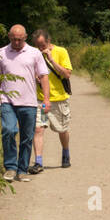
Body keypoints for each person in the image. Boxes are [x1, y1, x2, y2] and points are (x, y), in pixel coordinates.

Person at [0, 25, 49, 183]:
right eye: (13, 39)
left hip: (29, 101)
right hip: (7, 101)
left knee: (27, 137)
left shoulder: (34, 53)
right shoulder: (0, 53)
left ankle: (22, 169)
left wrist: (46, 100)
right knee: (9, 130)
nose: (16, 42)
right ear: (9, 37)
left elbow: (43, 76)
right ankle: (10, 167)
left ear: (25, 37)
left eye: (20, 39)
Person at [29, 29, 73, 172]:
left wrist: (51, 59)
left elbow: (67, 74)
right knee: (38, 129)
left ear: (48, 41)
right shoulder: (34, 54)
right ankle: (38, 162)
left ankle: (66, 153)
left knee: (62, 129)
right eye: (37, 45)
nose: (40, 48)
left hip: (59, 99)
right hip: (41, 100)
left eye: (42, 44)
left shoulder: (61, 51)